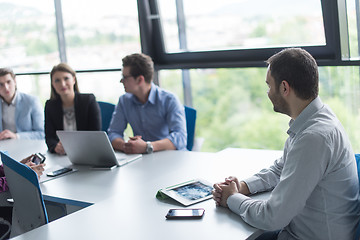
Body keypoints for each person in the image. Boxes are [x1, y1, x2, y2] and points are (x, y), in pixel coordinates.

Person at [212, 48, 360, 240]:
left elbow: (273, 217)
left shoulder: (313, 137)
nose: (267, 92)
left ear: (284, 88)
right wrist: (242, 186)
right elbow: (281, 169)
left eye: (269, 85)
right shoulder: (315, 119)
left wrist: (231, 199)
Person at [108, 53, 187, 154]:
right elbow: (113, 133)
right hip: (142, 159)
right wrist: (127, 146)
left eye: (125, 77)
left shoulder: (169, 100)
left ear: (140, 79)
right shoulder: (124, 101)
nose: (121, 81)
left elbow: (180, 138)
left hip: (170, 157)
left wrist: (147, 146)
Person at [45, 63, 101, 155]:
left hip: (87, 153)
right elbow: (49, 137)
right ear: (52, 84)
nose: (62, 84)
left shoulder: (88, 101)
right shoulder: (50, 105)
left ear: (74, 79)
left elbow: (95, 135)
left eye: (66, 78)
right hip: (62, 156)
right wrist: (56, 147)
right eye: (57, 80)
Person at [0, 68, 44, 140]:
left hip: (26, 146)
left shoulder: (31, 101)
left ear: (15, 81)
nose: (6, 88)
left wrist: (16, 136)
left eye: (8, 82)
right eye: (1, 84)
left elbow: (42, 133)